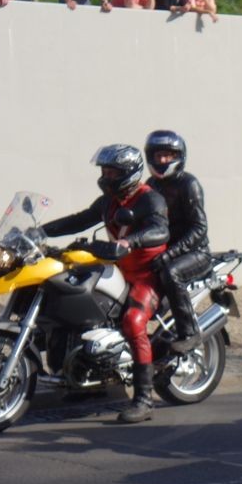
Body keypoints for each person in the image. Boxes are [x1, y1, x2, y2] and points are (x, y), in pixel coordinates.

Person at [42, 145, 169, 424]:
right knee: (78, 303)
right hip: (119, 268)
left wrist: (130, 241)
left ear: (129, 174)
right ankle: (85, 378)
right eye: (104, 171)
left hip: (148, 275)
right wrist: (40, 230)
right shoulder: (109, 201)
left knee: (134, 321)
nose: (106, 177)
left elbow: (161, 230)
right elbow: (80, 220)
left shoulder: (150, 200)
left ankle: (144, 399)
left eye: (112, 172)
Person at [143, 131, 211, 355]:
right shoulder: (151, 184)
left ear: (179, 157)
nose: (163, 160)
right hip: (164, 249)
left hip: (195, 252)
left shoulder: (188, 184)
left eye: (169, 155)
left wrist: (171, 254)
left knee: (171, 273)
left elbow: (200, 228)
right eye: (159, 155)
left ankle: (190, 333)